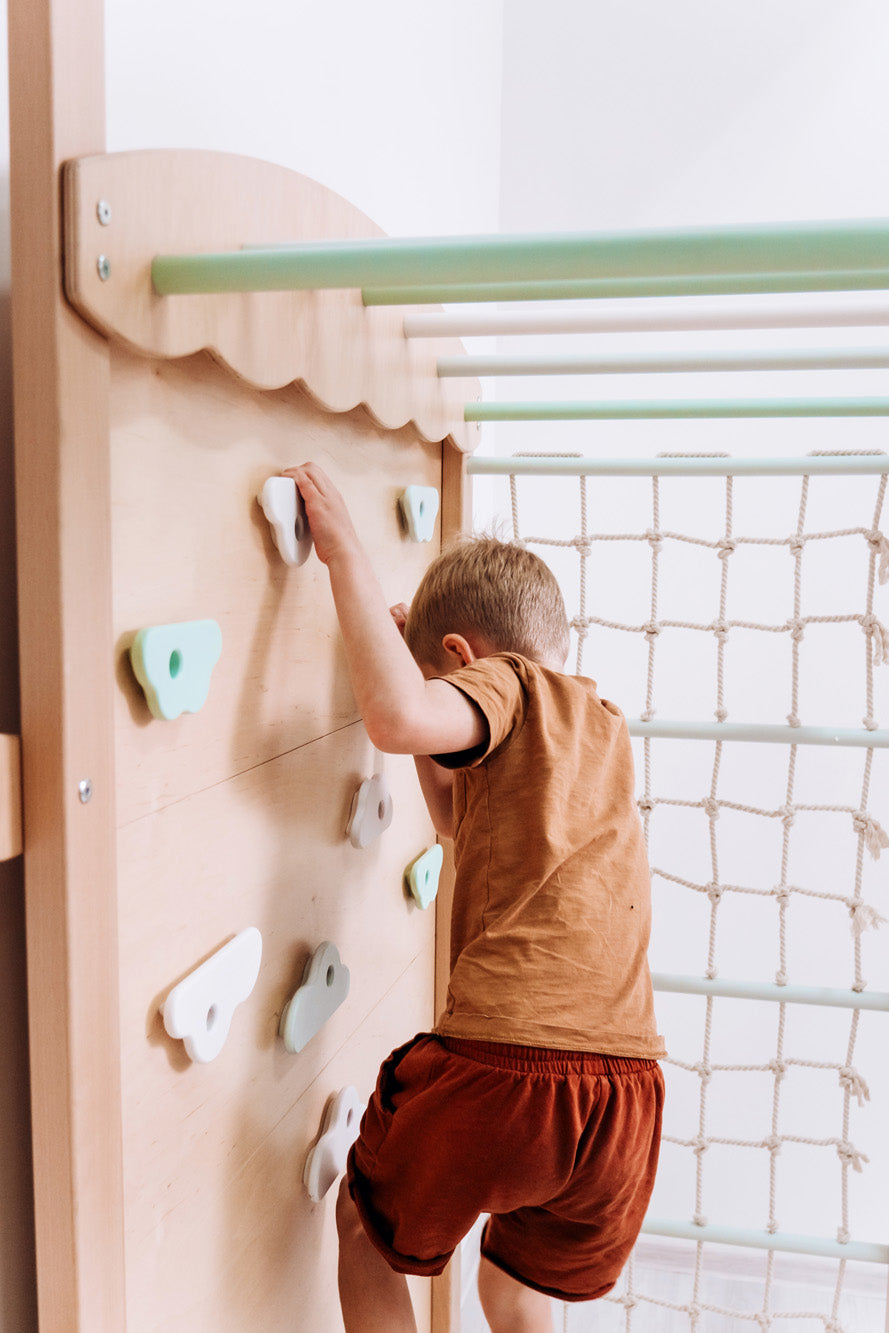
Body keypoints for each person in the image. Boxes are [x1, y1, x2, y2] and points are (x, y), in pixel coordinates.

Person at [285, 463, 665, 1333]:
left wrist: (345, 555)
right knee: (515, 1288)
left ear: (462, 658)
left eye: (441, 679)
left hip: (509, 1068)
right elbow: (457, 821)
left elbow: (397, 719)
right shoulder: (600, 727)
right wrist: (410, 668)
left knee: (365, 1230)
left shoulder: (507, 682)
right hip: (622, 1103)